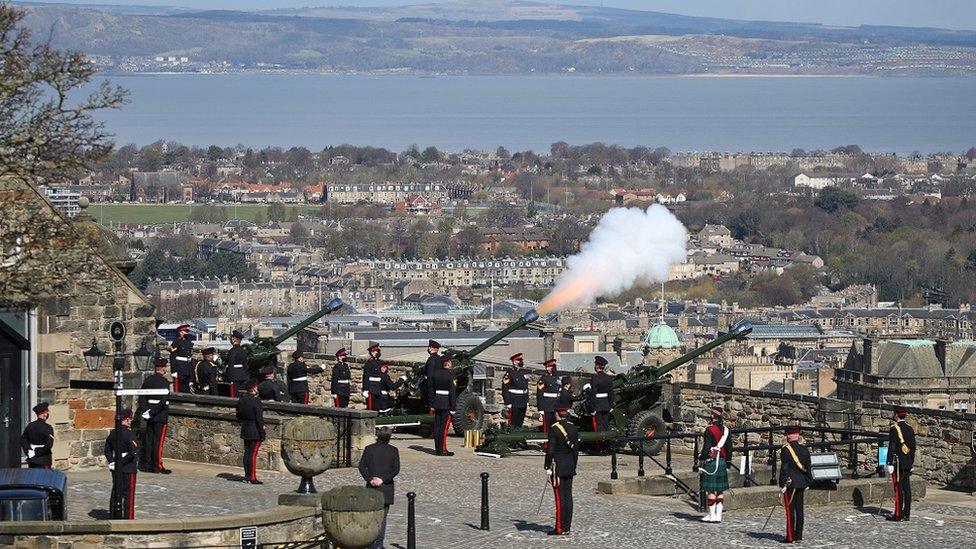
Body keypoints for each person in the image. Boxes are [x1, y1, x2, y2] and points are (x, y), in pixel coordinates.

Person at [359, 427, 400, 549]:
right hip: (386, 487)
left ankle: (370, 541)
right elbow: (395, 469)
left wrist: (371, 479)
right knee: (383, 518)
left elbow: (362, 467)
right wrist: (382, 479)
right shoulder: (393, 451)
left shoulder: (369, 449)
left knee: (371, 516)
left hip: (371, 488)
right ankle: (379, 543)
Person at [544, 407, 579, 536]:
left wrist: (547, 466)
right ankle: (567, 527)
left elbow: (551, 450)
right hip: (570, 465)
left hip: (558, 466)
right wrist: (573, 465)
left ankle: (559, 528)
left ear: (557, 415)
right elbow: (575, 451)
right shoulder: (573, 428)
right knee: (568, 497)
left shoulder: (554, 429)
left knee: (559, 498)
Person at [137, 358, 172, 474]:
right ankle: (157, 466)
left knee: (148, 440)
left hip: (149, 416)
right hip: (160, 416)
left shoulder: (148, 381)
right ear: (162, 368)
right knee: (158, 442)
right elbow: (163, 402)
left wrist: (146, 411)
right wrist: (152, 412)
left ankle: (146, 465)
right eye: (165, 367)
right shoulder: (164, 382)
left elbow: (141, 397)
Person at [699, 406, 732, 523]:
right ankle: (719, 516)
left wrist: (701, 458)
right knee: (720, 491)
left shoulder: (709, 430)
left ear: (713, 416)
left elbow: (706, 446)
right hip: (722, 461)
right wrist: (728, 463)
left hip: (712, 462)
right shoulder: (726, 430)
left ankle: (712, 515)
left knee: (711, 490)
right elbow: (729, 448)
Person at [779, 426, 812, 542]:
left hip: (790, 483)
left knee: (790, 511)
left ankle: (790, 537)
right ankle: (798, 536)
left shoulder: (786, 449)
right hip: (801, 482)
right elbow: (808, 467)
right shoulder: (804, 449)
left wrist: (782, 483)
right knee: (800, 510)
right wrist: (808, 481)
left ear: (789, 436)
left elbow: (784, 468)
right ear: (798, 436)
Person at [105, 408, 139, 520]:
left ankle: (113, 516)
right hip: (128, 468)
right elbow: (132, 452)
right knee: (129, 495)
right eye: (130, 419)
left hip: (116, 467)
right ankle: (128, 518)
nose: (131, 421)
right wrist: (120, 462)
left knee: (115, 492)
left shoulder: (113, 433)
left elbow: (107, 450)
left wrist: (113, 462)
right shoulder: (129, 434)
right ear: (127, 419)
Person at [886, 406, 916, 522]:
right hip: (908, 462)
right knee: (907, 489)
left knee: (898, 488)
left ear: (897, 415)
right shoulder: (910, 429)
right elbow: (913, 448)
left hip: (898, 463)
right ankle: (907, 513)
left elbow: (892, 446)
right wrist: (911, 462)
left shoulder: (894, 428)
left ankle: (898, 514)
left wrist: (889, 462)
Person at [236, 379, 266, 484]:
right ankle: (251, 477)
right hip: (255, 430)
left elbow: (238, 416)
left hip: (245, 428)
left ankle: (247, 475)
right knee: (252, 454)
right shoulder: (256, 401)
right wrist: (262, 431)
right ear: (253, 388)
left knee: (247, 453)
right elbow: (259, 418)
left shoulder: (241, 400)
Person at [429, 354, 457, 456]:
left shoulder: (434, 374)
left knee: (437, 426)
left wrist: (432, 403)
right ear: (448, 363)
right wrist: (453, 407)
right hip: (446, 402)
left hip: (437, 401)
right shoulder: (450, 375)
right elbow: (452, 393)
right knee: (444, 428)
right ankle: (443, 449)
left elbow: (431, 390)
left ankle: (437, 448)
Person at [585, 356, 613, 450]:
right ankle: (606, 446)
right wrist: (610, 405)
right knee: (605, 425)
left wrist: (592, 408)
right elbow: (610, 394)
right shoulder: (608, 378)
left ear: (597, 366)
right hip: (606, 405)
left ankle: (599, 447)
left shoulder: (595, 378)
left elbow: (593, 394)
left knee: (598, 427)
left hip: (597, 405)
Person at [21, 402, 54, 469]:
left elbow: (23, 439)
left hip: (32, 459)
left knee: (33, 478)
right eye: (46, 412)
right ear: (45, 414)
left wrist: (29, 451)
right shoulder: (48, 428)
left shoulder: (30, 426)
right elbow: (49, 445)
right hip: (44, 459)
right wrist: (36, 452)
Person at [502, 353, 529, 429]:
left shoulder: (523, 373)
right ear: (514, 362)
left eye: (521, 360)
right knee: (513, 423)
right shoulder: (509, 373)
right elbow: (505, 388)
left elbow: (526, 388)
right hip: (514, 401)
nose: (521, 361)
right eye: (519, 360)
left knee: (520, 423)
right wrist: (507, 403)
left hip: (523, 400)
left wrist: (527, 400)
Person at [169, 323, 194, 393]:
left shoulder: (188, 341)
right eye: (186, 331)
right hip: (180, 366)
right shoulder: (176, 342)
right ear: (181, 332)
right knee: (180, 386)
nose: (187, 333)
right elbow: (172, 357)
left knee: (188, 385)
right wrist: (173, 370)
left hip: (188, 366)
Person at [537, 359, 560, 433]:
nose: (549, 369)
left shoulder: (558, 378)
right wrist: (541, 409)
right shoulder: (543, 379)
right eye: (548, 367)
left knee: (557, 427)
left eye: (551, 366)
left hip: (556, 406)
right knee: (547, 428)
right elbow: (540, 394)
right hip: (547, 406)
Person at [224, 330, 249, 397]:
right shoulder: (243, 350)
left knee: (234, 395)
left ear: (234, 339)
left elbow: (230, 364)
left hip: (234, 376)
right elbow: (245, 364)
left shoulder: (232, 351)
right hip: (242, 375)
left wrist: (229, 377)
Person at [363, 342, 382, 411]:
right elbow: (366, 376)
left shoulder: (380, 362)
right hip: (371, 388)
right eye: (374, 351)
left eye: (377, 351)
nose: (376, 353)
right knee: (371, 408)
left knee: (378, 407)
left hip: (379, 387)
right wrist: (365, 389)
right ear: (371, 353)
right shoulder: (369, 363)